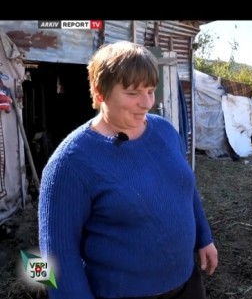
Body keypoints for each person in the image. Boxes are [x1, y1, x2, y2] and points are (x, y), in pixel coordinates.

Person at [38, 41, 218, 299]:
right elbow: (55, 258)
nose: (146, 103)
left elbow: (184, 188)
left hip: (187, 283)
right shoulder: (70, 163)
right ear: (100, 93)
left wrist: (204, 237)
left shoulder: (165, 131)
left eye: (151, 91)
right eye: (133, 93)